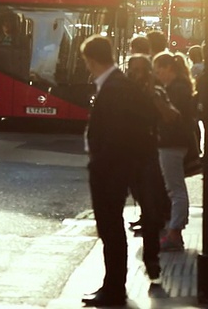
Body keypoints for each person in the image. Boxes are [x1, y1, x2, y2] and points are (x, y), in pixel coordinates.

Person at [80, 35, 158, 307]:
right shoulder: (119, 84)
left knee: (111, 230)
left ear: (90, 60)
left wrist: (101, 164)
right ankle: (112, 285)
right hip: (115, 170)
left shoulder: (113, 87)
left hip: (110, 172)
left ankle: (114, 289)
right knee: (111, 230)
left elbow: (115, 135)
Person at [124, 54, 173, 286]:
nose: (135, 74)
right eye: (132, 69)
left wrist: (153, 95)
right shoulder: (122, 91)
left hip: (147, 157)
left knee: (151, 212)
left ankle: (152, 260)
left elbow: (172, 116)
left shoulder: (157, 92)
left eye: (140, 70)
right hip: (125, 157)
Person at [152, 52, 196, 251]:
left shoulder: (176, 89)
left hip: (172, 143)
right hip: (173, 142)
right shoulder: (178, 87)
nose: (157, 73)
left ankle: (175, 231)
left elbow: (171, 116)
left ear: (169, 67)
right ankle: (175, 228)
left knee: (175, 188)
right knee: (174, 187)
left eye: (159, 68)